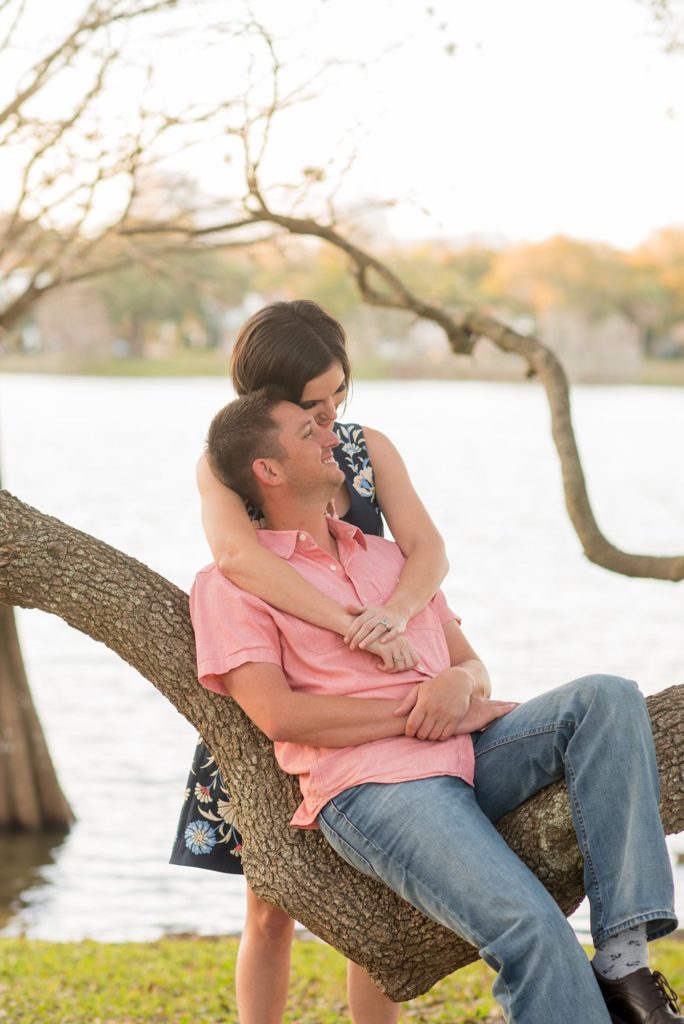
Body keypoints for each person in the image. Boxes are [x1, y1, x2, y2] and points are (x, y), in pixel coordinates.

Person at [188, 388, 682, 1024]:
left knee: (607, 698)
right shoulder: (229, 586)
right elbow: (280, 717)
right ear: (269, 471)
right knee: (528, 926)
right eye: (309, 433)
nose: (332, 437)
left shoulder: (391, 558)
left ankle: (624, 964)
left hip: (469, 751)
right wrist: (413, 716)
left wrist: (461, 685)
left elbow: (470, 665)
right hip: (375, 789)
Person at [171, 300, 450, 1024]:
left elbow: (428, 550)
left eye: (338, 397)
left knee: (376, 896)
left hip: (366, 690)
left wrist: (392, 616)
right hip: (276, 678)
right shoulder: (228, 461)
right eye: (311, 404)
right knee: (269, 903)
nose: (330, 417)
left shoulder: (366, 448)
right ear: (269, 397)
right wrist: (350, 623)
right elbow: (234, 556)